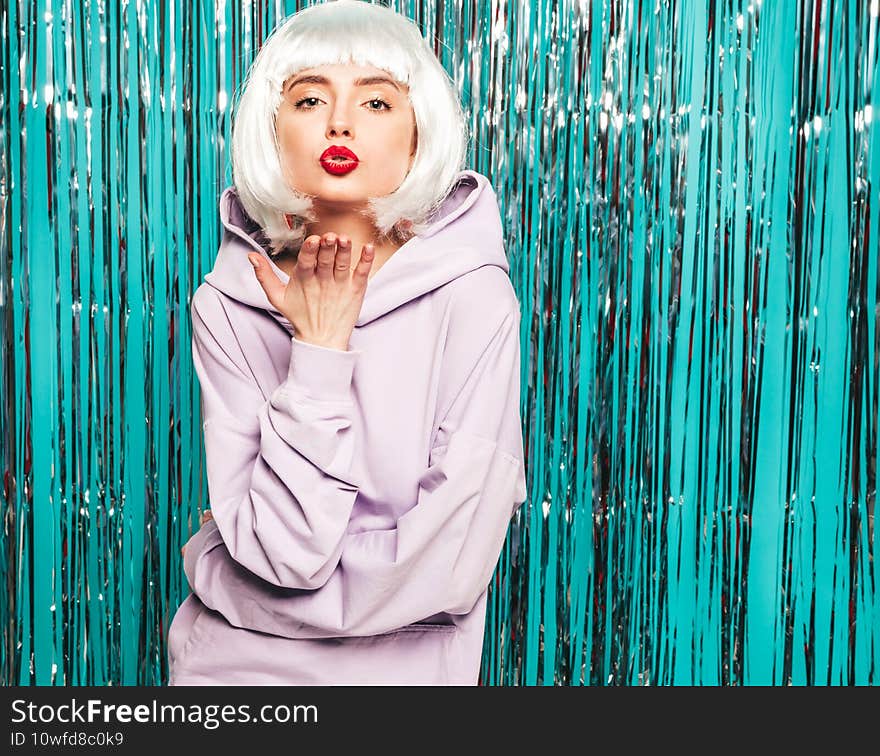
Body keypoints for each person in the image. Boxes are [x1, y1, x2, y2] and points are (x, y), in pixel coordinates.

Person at [166, 0, 527, 685]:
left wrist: (249, 594)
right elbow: (284, 554)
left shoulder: (474, 297)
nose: (339, 122)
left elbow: (449, 568)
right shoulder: (226, 303)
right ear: (272, 133)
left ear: (419, 136)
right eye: (308, 99)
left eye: (377, 103)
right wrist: (320, 353)